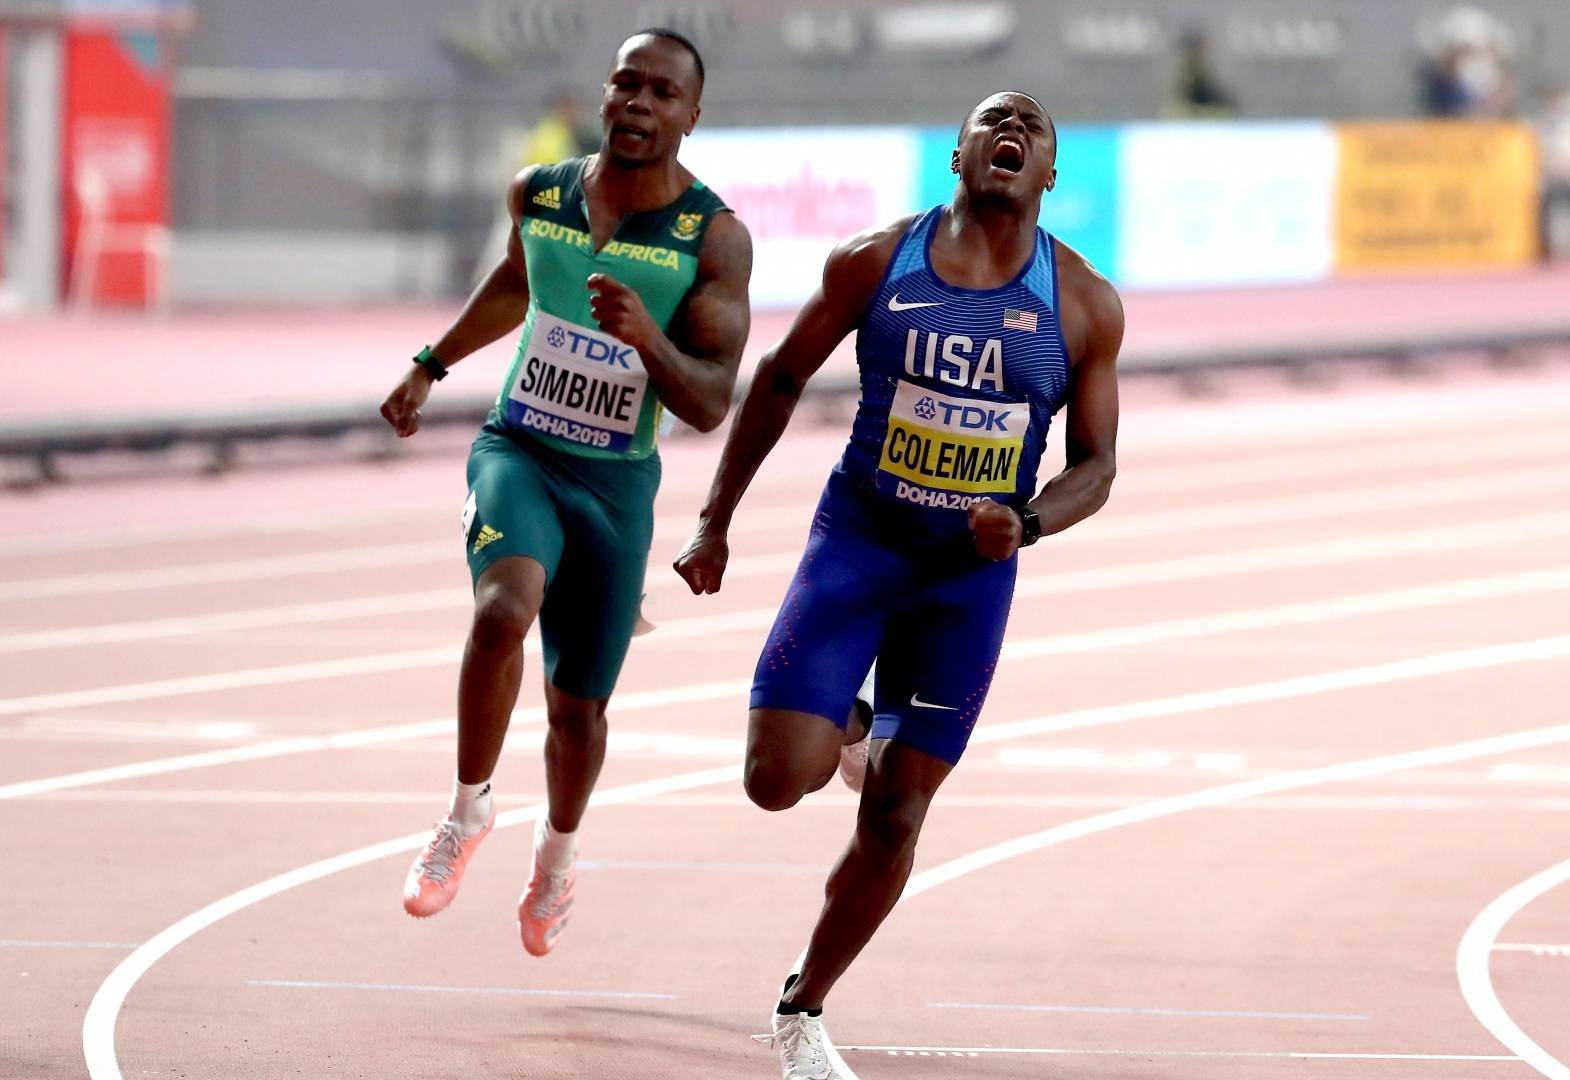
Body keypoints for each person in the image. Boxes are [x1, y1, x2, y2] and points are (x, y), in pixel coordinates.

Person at [675, 91, 1123, 1078]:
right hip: (859, 547)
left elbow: (1098, 464)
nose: (1009, 132)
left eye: (1030, 129)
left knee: (897, 817)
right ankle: (849, 720)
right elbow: (782, 379)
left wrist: (1032, 520)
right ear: (956, 152)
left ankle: (803, 1008)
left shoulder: (1083, 304)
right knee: (771, 782)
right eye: (990, 121)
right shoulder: (876, 261)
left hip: (966, 583)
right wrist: (715, 518)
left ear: (1049, 172)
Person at [379, 28, 752, 957]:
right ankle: (467, 814)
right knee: (503, 608)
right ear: (605, 94)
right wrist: (432, 364)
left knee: (577, 708)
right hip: (520, 448)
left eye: (662, 93)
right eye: (626, 84)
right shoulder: (540, 193)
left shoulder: (712, 237)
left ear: (691, 117)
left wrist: (646, 341)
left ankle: (556, 855)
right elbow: (516, 281)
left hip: (617, 485)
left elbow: (709, 402)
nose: (638, 103)